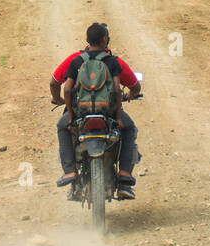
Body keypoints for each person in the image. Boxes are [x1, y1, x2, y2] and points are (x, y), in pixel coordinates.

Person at [49, 22, 141, 199]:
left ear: (87, 40)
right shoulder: (115, 62)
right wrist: (129, 97)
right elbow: (132, 87)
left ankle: (69, 171)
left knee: (63, 127)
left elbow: (58, 85)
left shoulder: (74, 60)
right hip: (108, 113)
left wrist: (61, 103)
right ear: (105, 39)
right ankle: (124, 177)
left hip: (80, 113)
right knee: (129, 129)